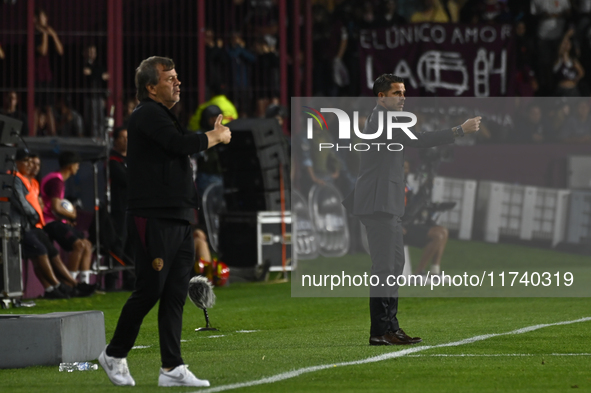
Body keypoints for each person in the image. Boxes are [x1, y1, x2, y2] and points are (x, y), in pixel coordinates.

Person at [98, 56, 231, 387]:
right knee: (150, 290)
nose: (177, 82)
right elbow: (178, 146)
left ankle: (172, 367)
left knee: (173, 294)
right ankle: (113, 354)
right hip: (153, 216)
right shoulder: (146, 114)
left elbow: (177, 153)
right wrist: (215, 137)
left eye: (177, 77)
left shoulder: (164, 115)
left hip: (178, 216)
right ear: (151, 87)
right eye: (170, 78)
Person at [342, 74, 480, 346]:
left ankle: (390, 327)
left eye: (404, 91)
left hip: (386, 203)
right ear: (381, 97)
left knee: (394, 265)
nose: (402, 96)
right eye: (396, 92)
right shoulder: (382, 120)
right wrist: (459, 130)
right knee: (385, 267)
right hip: (377, 204)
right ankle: (380, 331)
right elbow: (419, 139)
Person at [40, 151, 94, 285]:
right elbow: (55, 208)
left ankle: (84, 284)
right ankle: (70, 284)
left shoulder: (57, 179)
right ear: (70, 166)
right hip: (50, 222)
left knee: (87, 245)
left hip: (58, 220)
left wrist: (66, 219)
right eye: (77, 165)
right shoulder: (56, 181)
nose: (77, 168)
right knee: (79, 245)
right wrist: (72, 214)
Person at [82, 44, 109, 138]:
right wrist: (100, 75)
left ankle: (101, 136)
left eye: (93, 52)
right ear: (85, 53)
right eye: (90, 52)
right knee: (92, 118)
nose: (92, 54)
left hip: (98, 95)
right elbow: (85, 73)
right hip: (89, 95)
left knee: (100, 117)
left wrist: (93, 74)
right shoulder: (83, 63)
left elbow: (106, 75)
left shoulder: (98, 64)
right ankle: (93, 137)